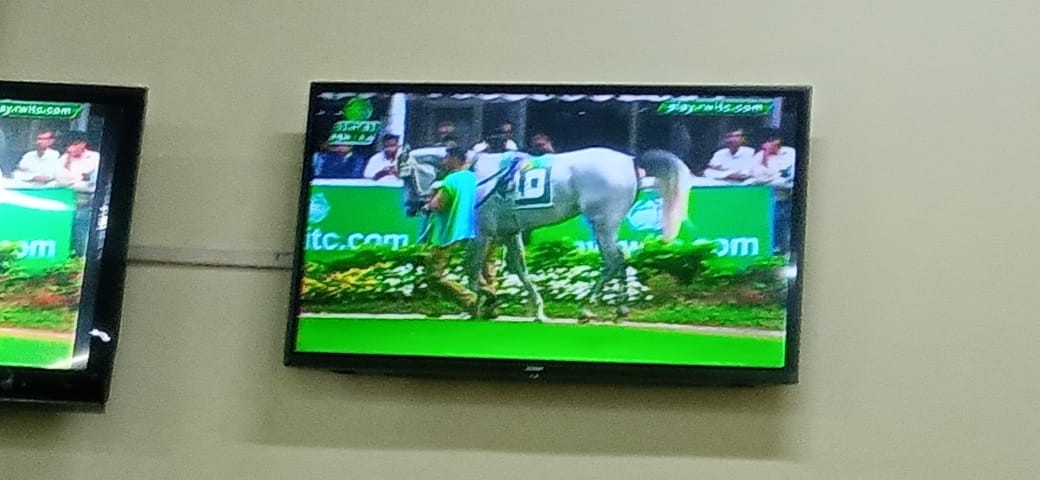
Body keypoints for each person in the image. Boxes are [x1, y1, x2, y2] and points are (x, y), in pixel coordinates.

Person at [422, 147, 498, 317]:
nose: (443, 162)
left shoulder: (451, 179)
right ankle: (490, 306)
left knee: (434, 274)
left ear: (455, 158)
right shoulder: (477, 178)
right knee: (485, 268)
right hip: (482, 230)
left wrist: (427, 205)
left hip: (452, 232)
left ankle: (470, 300)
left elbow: (438, 205)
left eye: (446, 158)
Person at [750, 136, 797, 254]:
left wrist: (772, 177)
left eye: (770, 141)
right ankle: (777, 248)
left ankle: (788, 248)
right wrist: (765, 157)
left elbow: (790, 175)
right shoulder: (759, 156)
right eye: (765, 142)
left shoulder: (790, 153)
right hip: (770, 196)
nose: (767, 144)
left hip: (790, 194)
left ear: (777, 141)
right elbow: (759, 178)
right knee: (776, 220)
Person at [57, 136, 101, 257]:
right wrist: (69, 165)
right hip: (67, 200)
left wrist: (75, 181)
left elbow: (93, 182)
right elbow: (61, 181)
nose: (70, 148)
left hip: (88, 200)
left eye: (73, 145)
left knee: (82, 230)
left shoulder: (95, 157)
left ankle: (81, 257)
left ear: (82, 144)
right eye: (68, 146)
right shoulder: (64, 158)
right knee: (66, 230)